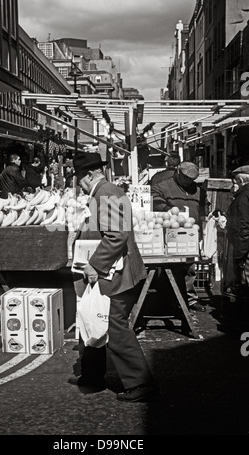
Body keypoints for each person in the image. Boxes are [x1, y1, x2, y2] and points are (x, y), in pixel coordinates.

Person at [70, 152, 159, 402]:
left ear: (90, 174)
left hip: (114, 273)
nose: (78, 183)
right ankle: (92, 377)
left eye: (80, 178)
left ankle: (140, 382)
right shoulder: (103, 192)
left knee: (112, 324)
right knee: (91, 320)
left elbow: (116, 236)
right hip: (110, 271)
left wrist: (95, 266)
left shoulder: (106, 193)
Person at [151, 161, 209, 312]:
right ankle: (168, 299)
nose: (189, 181)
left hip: (191, 233)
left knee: (189, 268)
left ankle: (189, 299)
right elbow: (154, 202)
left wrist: (204, 228)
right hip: (169, 233)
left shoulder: (199, 190)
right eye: (186, 178)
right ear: (178, 171)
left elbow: (204, 209)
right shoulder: (162, 185)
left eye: (192, 179)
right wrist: (169, 211)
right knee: (168, 267)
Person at [223, 166, 249, 305]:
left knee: (245, 283)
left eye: (234, 182)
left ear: (240, 180)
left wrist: (240, 254)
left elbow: (243, 225)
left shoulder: (243, 196)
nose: (233, 186)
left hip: (245, 248)